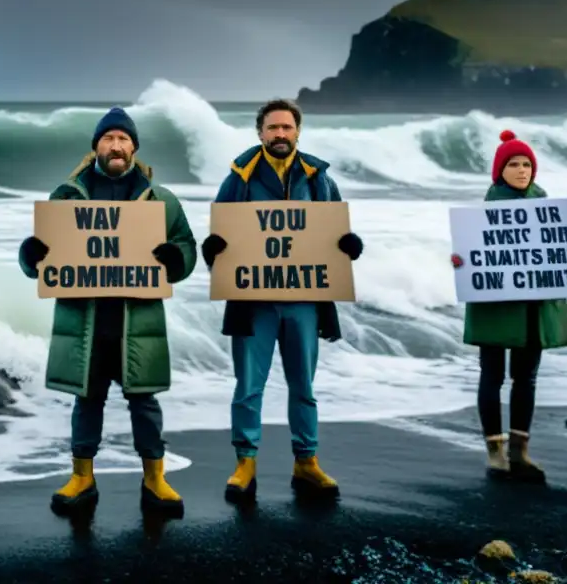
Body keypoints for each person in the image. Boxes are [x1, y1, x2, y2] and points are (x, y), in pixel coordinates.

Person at [18, 107, 197, 517]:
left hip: (138, 321)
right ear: (96, 145)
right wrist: (30, 256)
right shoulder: (66, 196)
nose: (115, 145)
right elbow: (42, 257)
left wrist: (175, 258)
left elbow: (187, 249)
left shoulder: (162, 201)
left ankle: (155, 478)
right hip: (87, 321)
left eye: (123, 138)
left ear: (134, 147)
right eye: (107, 138)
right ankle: (82, 476)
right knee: (87, 400)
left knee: (145, 403)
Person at [201, 98, 363, 503]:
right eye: (272, 128)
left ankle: (306, 461)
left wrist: (349, 245)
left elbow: (335, 231)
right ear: (259, 133)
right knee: (248, 386)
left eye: (286, 128)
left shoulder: (319, 179)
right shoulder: (239, 177)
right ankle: (245, 462)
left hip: (304, 301)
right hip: (253, 301)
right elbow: (220, 231)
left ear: (297, 132)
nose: (279, 135)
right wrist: (213, 248)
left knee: (303, 385)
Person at [452, 129, 567, 483]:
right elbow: (476, 252)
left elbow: (561, 249)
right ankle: (495, 451)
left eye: (527, 164)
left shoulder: (547, 206)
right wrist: (461, 262)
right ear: (499, 171)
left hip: (534, 305)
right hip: (495, 305)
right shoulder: (488, 209)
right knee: (492, 375)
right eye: (514, 164)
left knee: (526, 378)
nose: (521, 170)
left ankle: (520, 450)